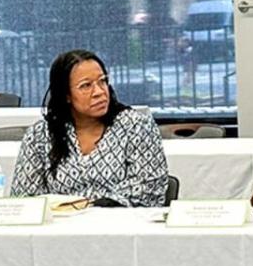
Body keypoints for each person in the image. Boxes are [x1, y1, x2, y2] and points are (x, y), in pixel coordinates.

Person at [11, 49, 168, 207]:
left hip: (120, 225)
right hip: (60, 227)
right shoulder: (40, 136)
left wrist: (89, 206)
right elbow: (24, 198)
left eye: (102, 81)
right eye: (86, 86)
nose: (99, 92)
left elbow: (149, 188)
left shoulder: (136, 126)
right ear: (66, 95)